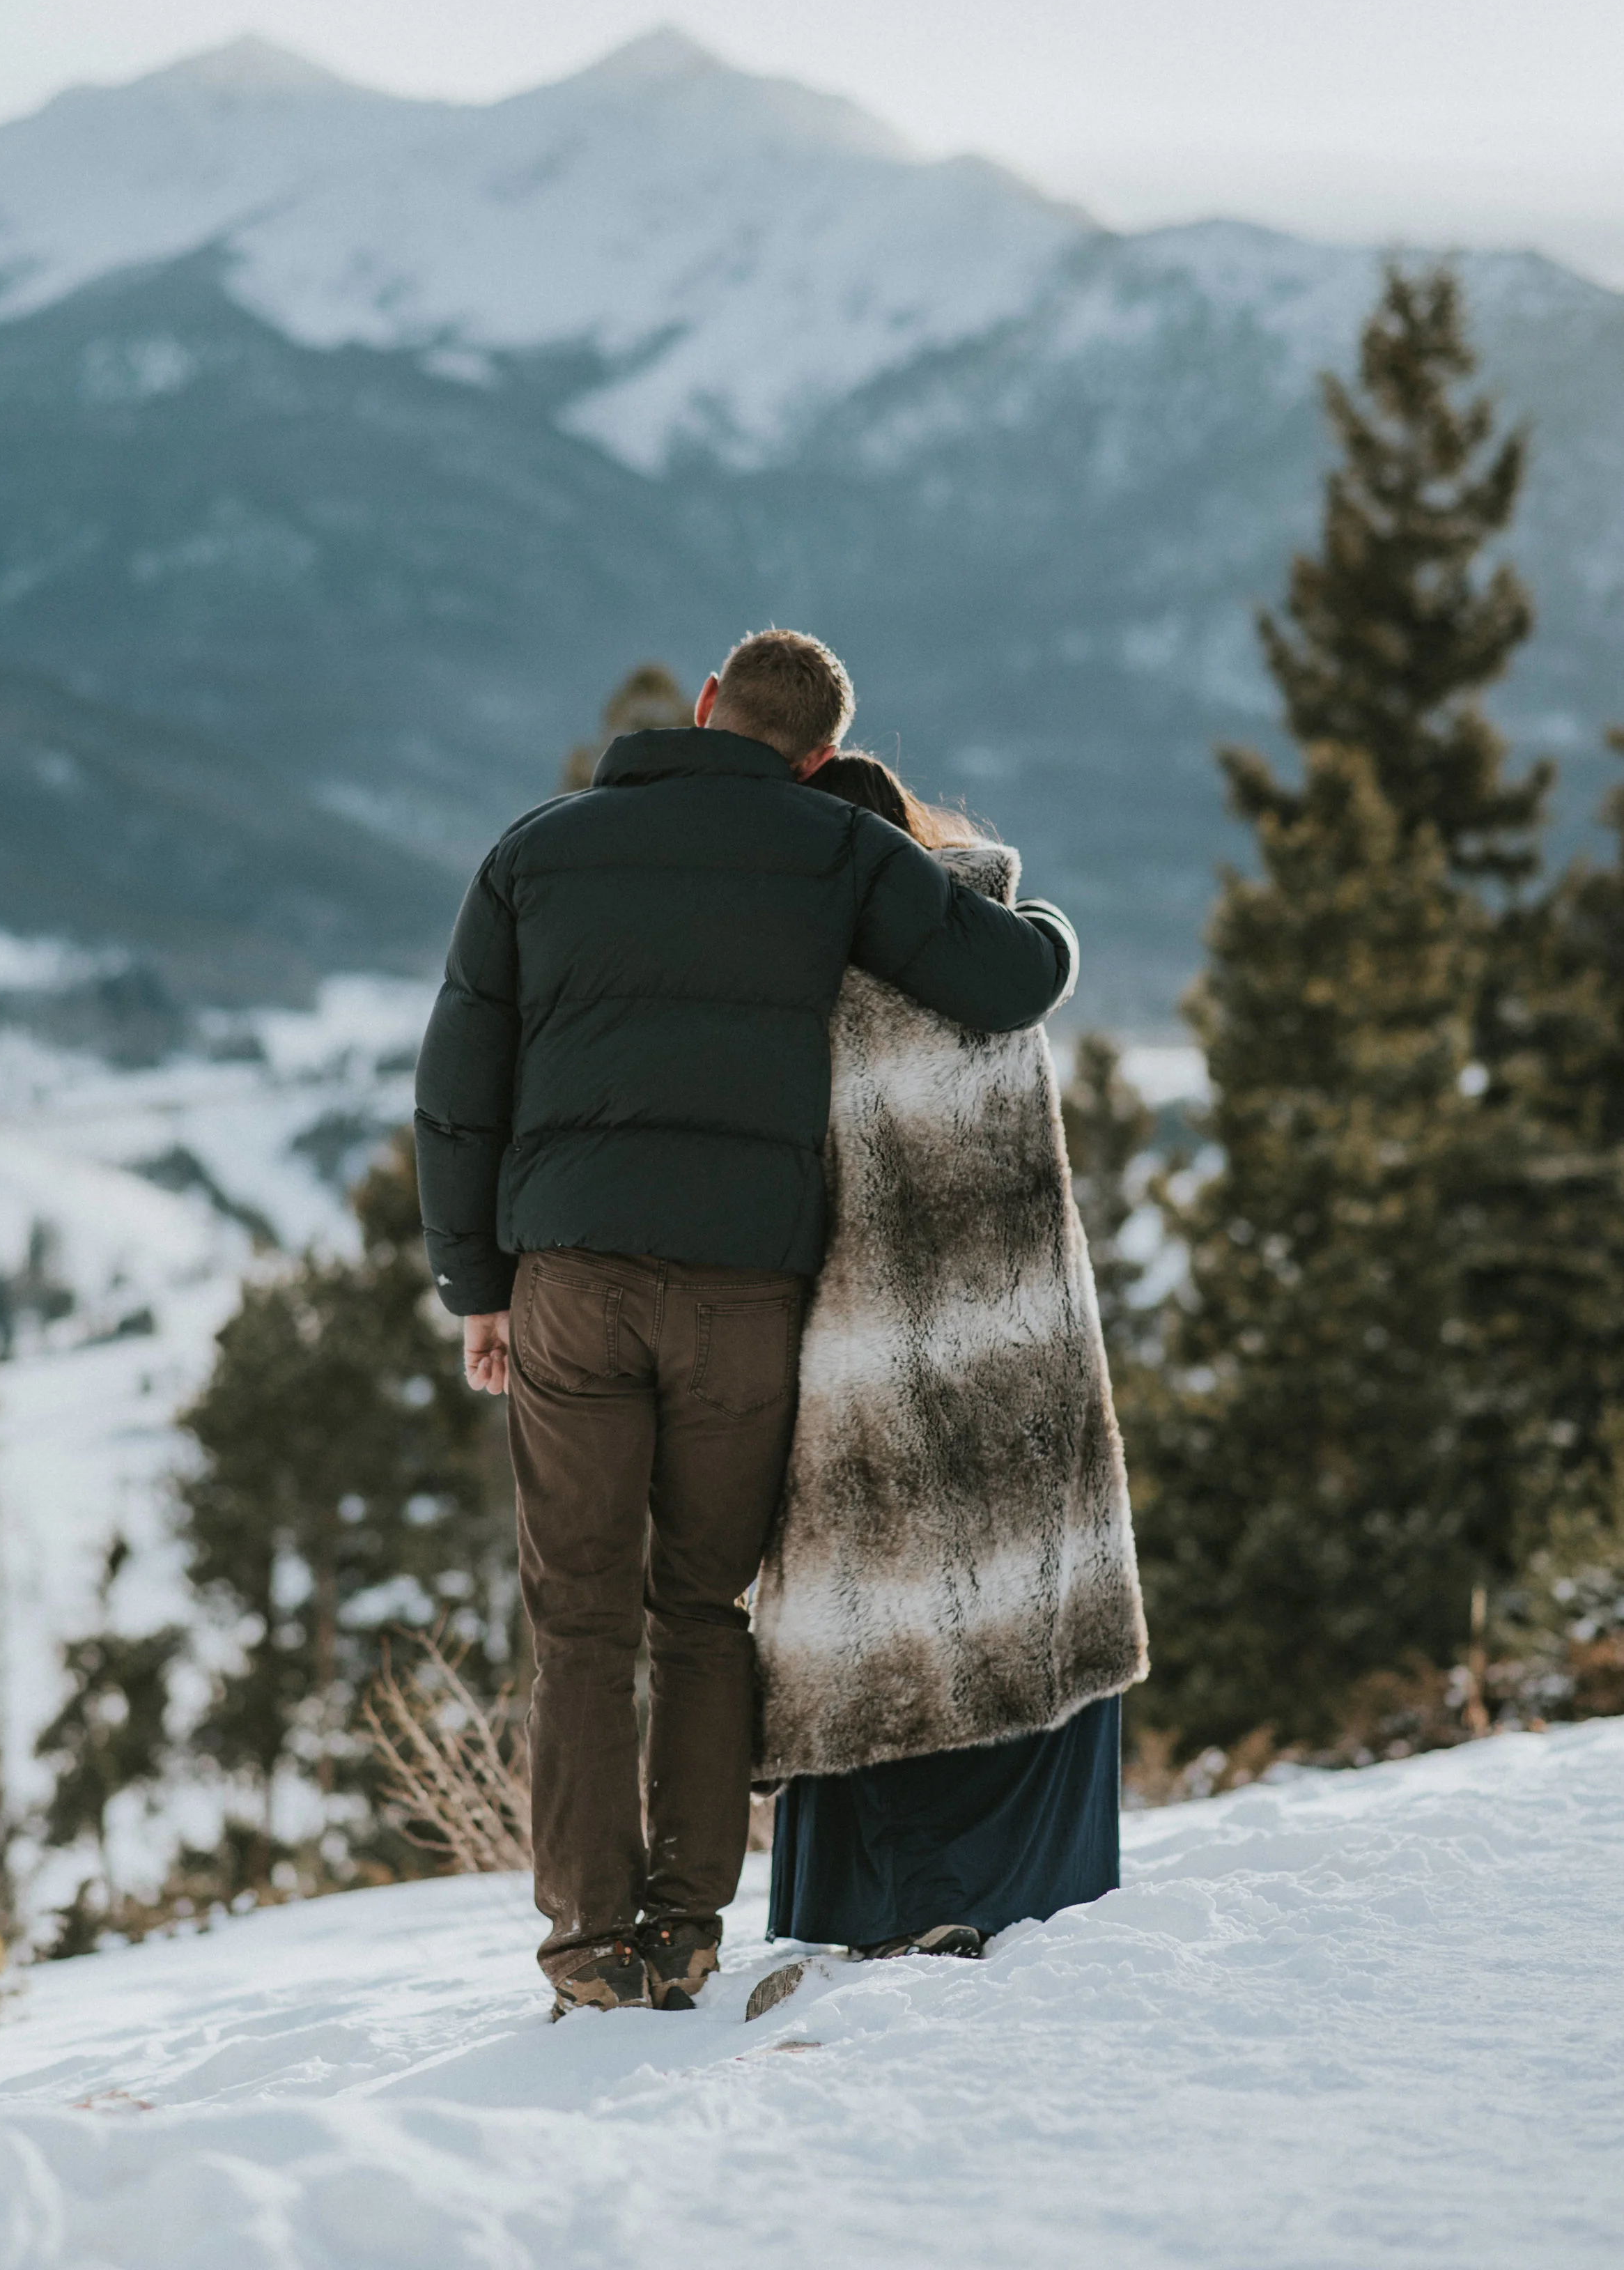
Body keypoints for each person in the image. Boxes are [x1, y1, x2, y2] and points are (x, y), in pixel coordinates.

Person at [413, 632, 1077, 2016]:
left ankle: (588, 1943)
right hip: (741, 1293)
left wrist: (477, 1284)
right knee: (702, 1611)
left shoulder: (537, 849)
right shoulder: (833, 852)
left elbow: (458, 1084)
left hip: (571, 1280)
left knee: (576, 1617)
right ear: (822, 756)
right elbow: (1005, 978)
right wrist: (1056, 927)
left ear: (704, 707)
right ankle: (686, 1920)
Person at [753, 751, 1147, 1969]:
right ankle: (1023, 1886)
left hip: (861, 1388)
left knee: (877, 1640)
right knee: (1030, 1616)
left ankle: (882, 1910)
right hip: (1024, 1368)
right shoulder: (989, 962)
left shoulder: (791, 988)